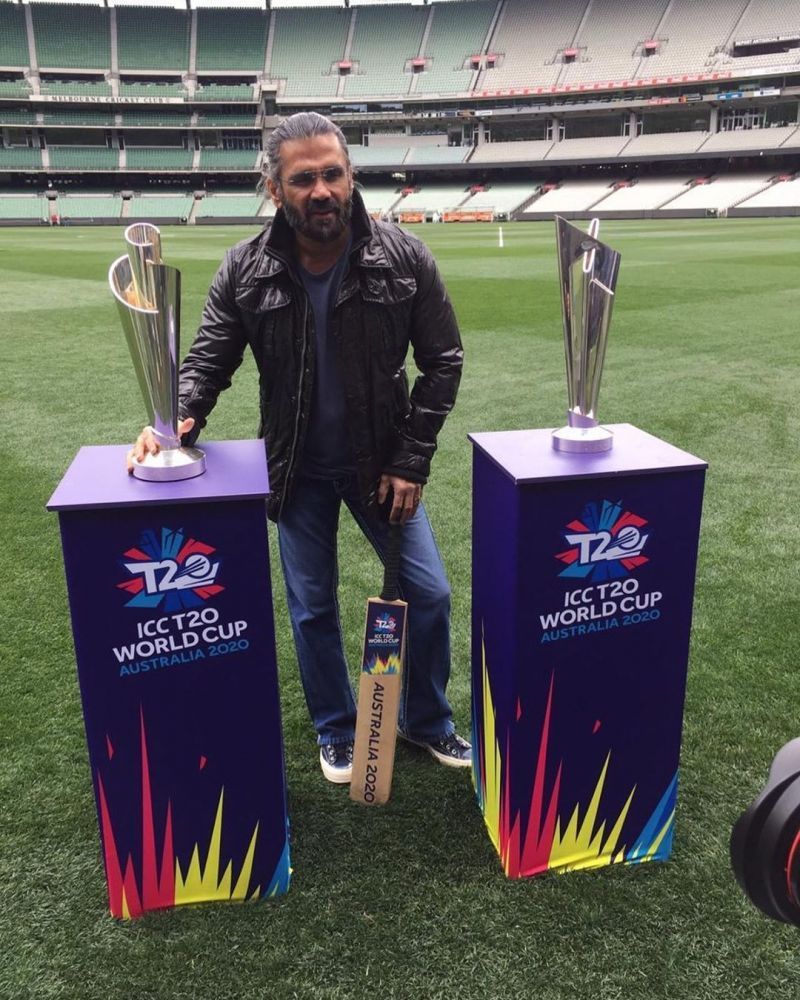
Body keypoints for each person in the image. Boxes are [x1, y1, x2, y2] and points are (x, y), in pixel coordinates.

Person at [130, 112, 470, 783]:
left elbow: (444, 361)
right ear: (274, 188)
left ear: (350, 177)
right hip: (295, 472)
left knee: (428, 595)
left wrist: (410, 460)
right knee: (313, 608)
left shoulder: (403, 256)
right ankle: (338, 729)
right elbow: (208, 359)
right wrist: (179, 415)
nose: (321, 190)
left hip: (381, 468)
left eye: (332, 174)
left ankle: (425, 719)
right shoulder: (246, 268)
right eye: (303, 178)